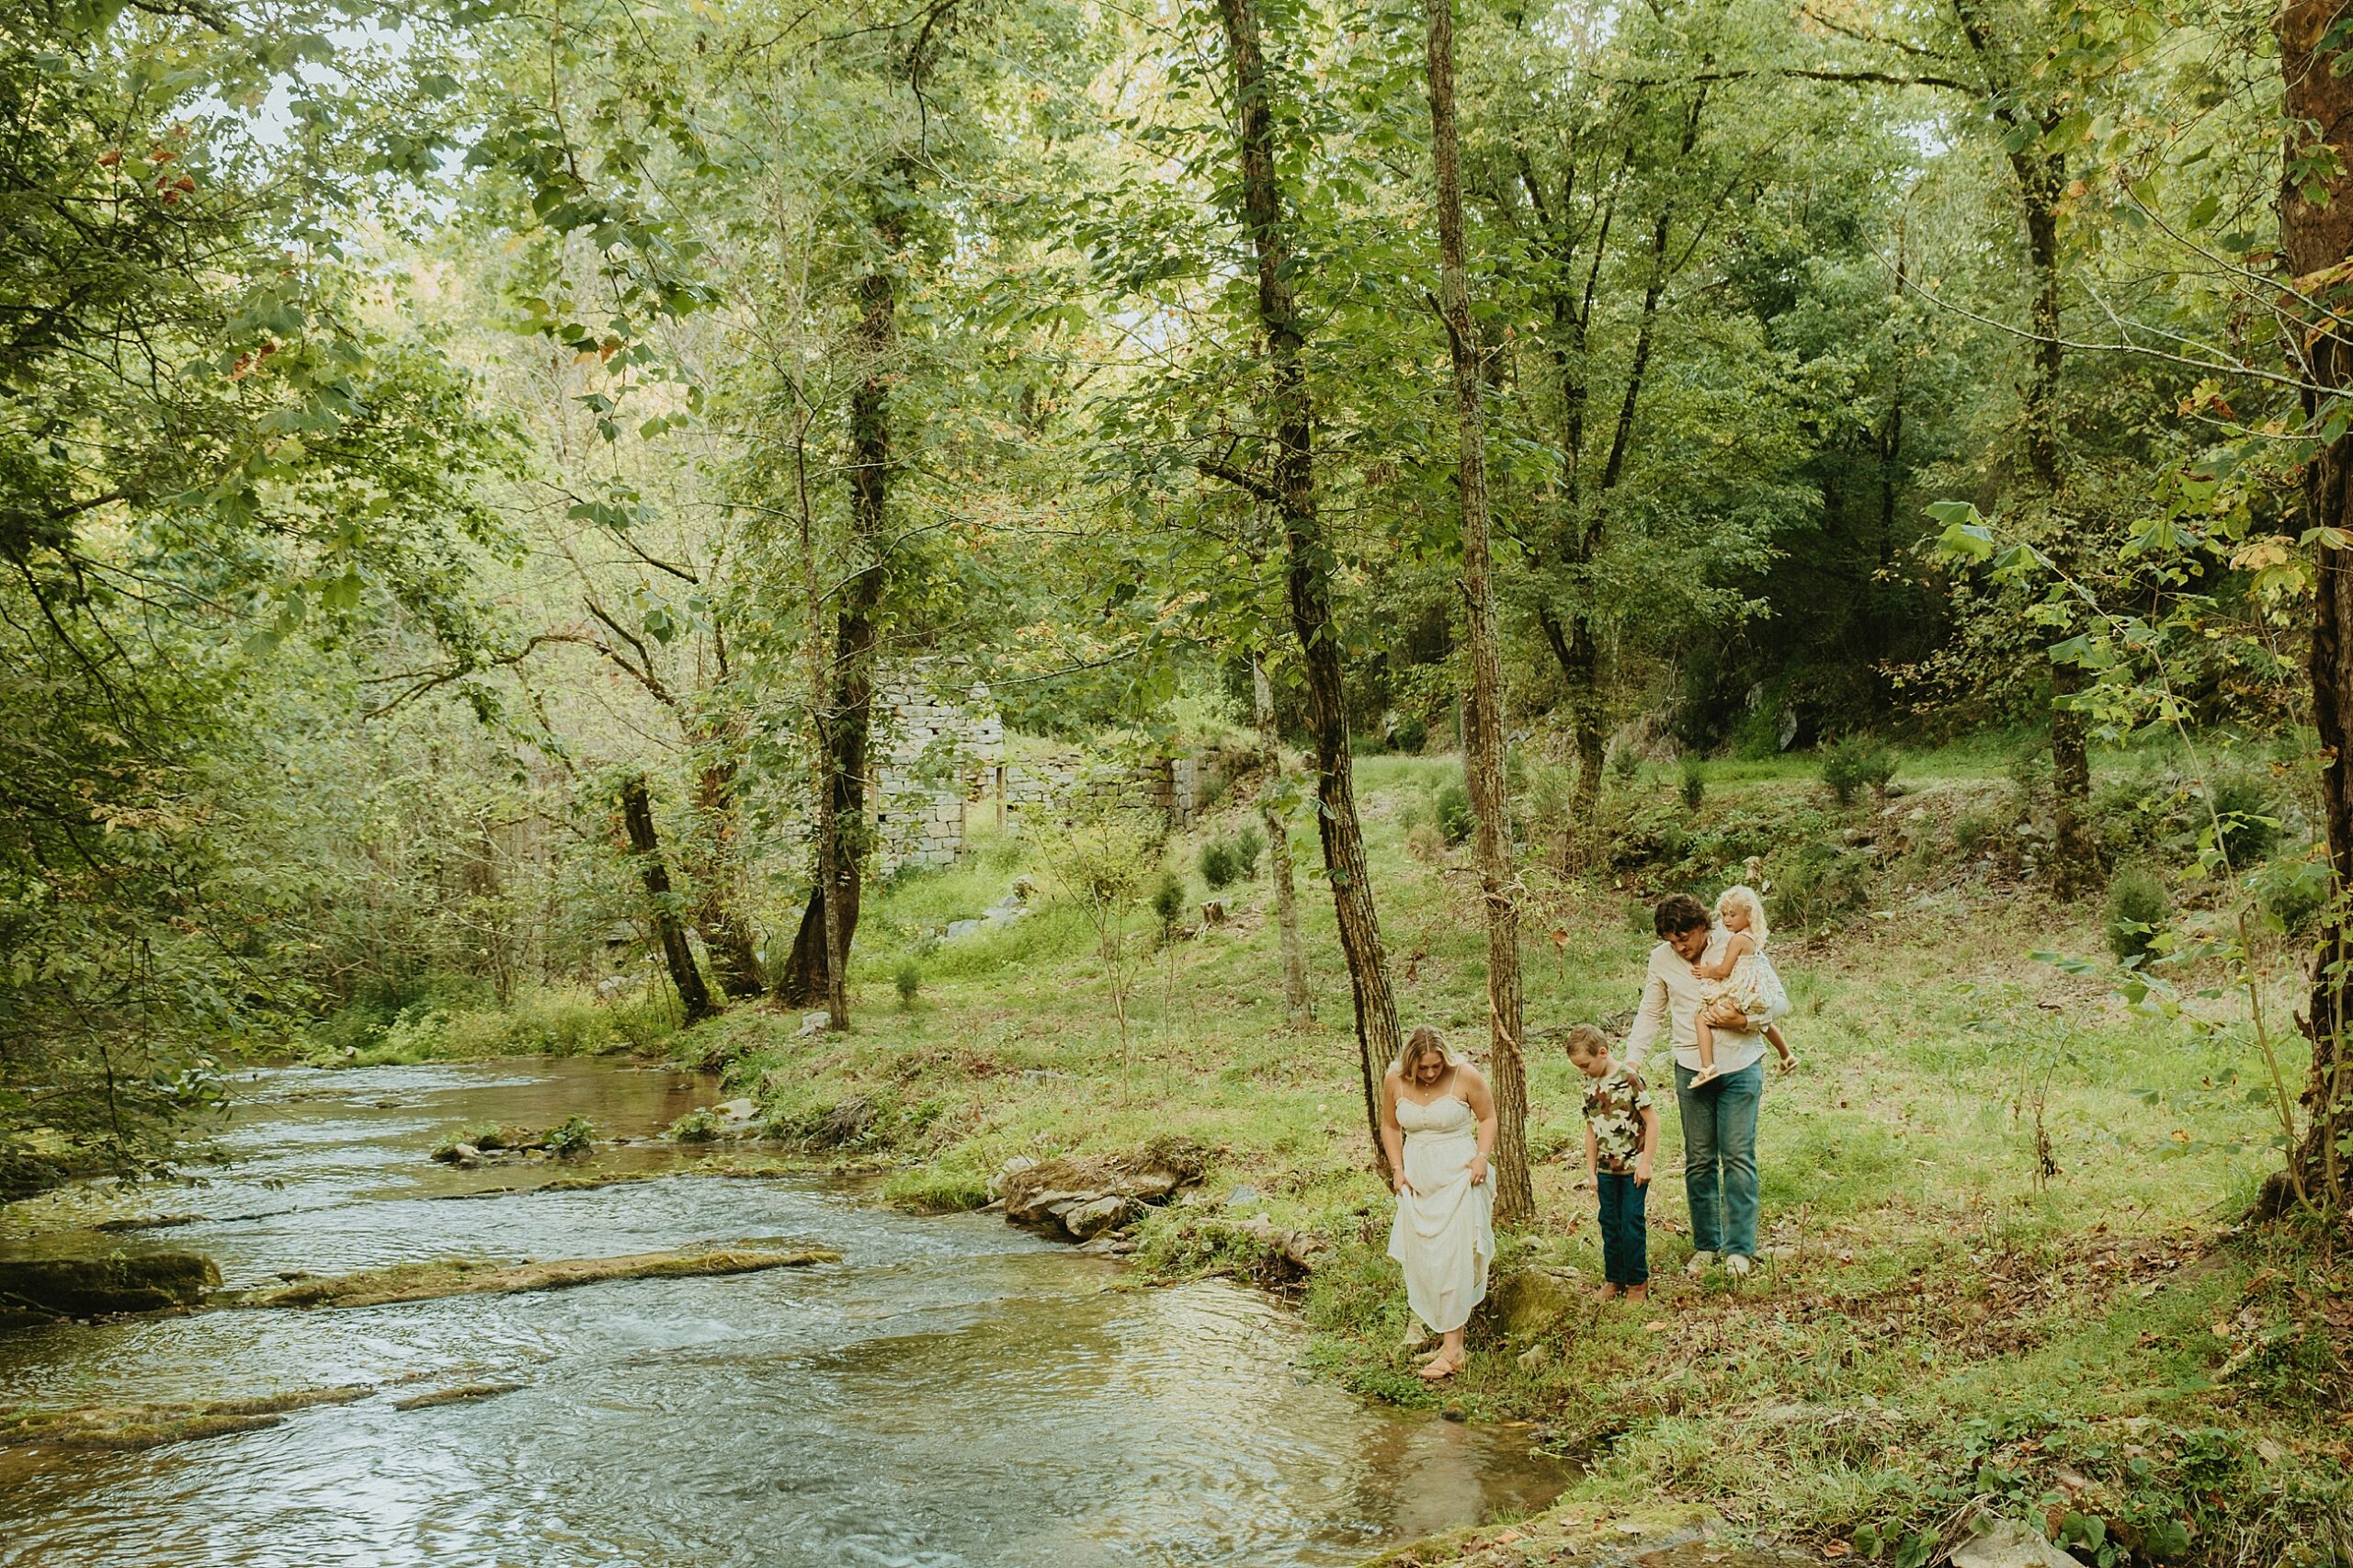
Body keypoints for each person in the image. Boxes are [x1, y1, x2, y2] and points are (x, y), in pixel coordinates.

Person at [1624, 893, 1788, 1278]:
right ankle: (1707, 1244)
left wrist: (1744, 1022)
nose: (1680, 947)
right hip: (1691, 1067)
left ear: (1703, 927)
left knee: (1737, 1156)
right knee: (1698, 1160)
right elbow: (1651, 1010)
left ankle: (1740, 1249)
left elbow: (1778, 1002)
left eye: (1686, 938)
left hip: (1740, 1065)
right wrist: (1633, 1059)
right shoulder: (1661, 959)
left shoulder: (1735, 942)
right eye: (1672, 941)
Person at [1381, 1026, 1498, 1381]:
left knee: (1455, 1256)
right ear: (1410, 1063)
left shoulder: (1465, 1075)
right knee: (1426, 1259)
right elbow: (1390, 1126)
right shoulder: (1394, 1079)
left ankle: (1454, 1351)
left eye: (1436, 1066)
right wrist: (1397, 1169)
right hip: (1419, 1180)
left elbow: (1488, 1117)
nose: (1430, 1073)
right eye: (1423, 1067)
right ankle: (1446, 1339)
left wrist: (1481, 1157)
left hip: (1460, 1176)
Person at [1565, 1024, 1657, 1301]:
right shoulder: (1589, 1086)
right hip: (1606, 1169)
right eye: (1578, 1067)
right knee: (1609, 1222)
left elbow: (1652, 1121)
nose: (1583, 1070)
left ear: (1602, 1052)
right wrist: (1591, 1171)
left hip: (1633, 1167)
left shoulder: (1629, 1079)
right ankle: (1614, 1278)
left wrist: (1646, 1163)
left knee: (1631, 1221)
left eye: (1585, 1064)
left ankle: (1637, 1283)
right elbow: (1591, 1129)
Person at [1688, 884, 1798, 1085]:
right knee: (1763, 1021)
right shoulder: (1751, 938)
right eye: (1723, 915)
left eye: (1732, 915)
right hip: (1756, 990)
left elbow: (1724, 970)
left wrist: (1708, 971)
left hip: (1741, 991)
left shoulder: (1737, 939)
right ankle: (1786, 1055)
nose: (1726, 920)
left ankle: (1707, 1067)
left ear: (1749, 915)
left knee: (1701, 1017)